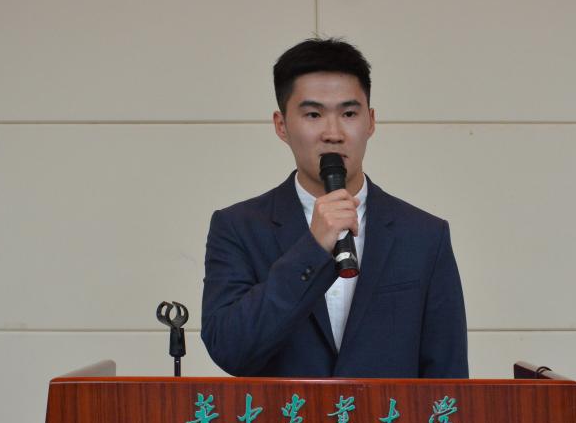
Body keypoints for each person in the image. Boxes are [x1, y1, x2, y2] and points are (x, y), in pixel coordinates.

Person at [200, 38, 468, 378]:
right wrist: (311, 250)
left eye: (349, 114)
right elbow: (229, 349)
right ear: (281, 125)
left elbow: (448, 379)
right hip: (285, 415)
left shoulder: (425, 236)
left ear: (371, 121)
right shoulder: (238, 227)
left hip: (388, 417)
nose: (333, 133)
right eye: (313, 114)